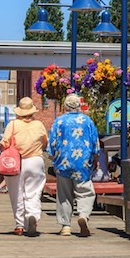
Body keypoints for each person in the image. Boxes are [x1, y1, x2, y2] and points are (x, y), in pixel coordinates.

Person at [47, 94, 100, 237]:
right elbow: (95, 141)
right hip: (82, 162)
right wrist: (95, 157)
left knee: (64, 194)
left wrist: (53, 156)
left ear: (65, 106)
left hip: (63, 162)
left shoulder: (59, 121)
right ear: (79, 106)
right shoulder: (87, 121)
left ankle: (65, 226)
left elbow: (52, 142)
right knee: (85, 191)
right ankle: (83, 215)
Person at [0, 97, 47, 236]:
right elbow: (45, 143)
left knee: (17, 194)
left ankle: (20, 225)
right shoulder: (39, 124)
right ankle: (32, 216)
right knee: (33, 192)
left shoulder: (13, 125)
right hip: (35, 160)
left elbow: (4, 143)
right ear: (32, 111)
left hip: (16, 162)